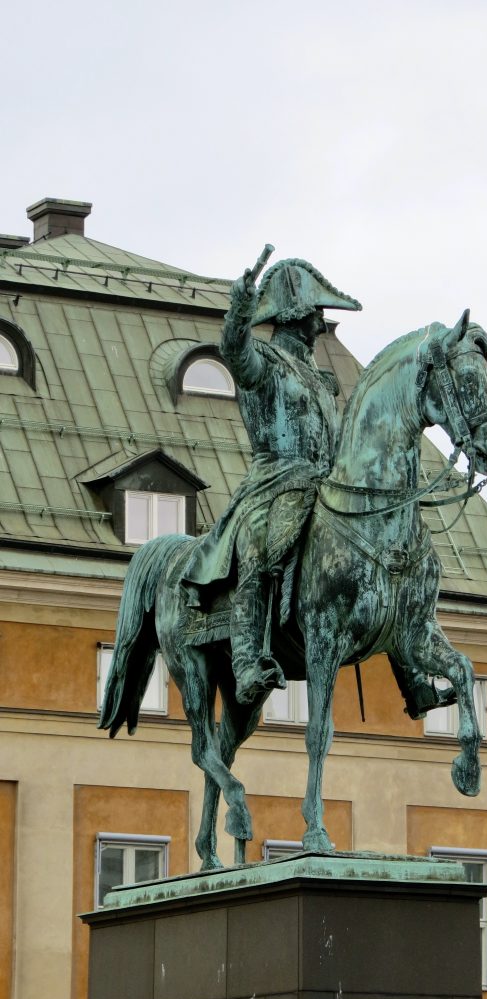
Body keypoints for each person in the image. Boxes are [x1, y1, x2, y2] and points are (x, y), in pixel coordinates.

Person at [183, 258, 361, 704]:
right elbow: (234, 351)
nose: (321, 322)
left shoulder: (322, 379)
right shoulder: (264, 362)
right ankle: (246, 661)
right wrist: (240, 310)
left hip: (323, 484)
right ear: (293, 315)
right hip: (275, 482)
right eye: (314, 313)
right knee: (265, 547)